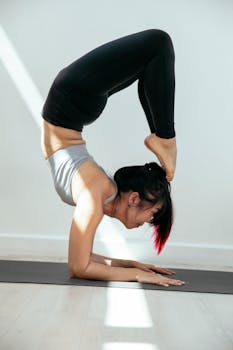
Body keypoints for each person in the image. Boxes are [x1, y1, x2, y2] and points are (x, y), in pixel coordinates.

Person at [41, 29, 185, 288]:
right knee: (158, 43)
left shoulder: (98, 197)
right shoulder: (96, 194)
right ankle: (165, 138)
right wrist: (137, 275)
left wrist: (131, 265)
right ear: (134, 198)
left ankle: (162, 136)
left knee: (153, 55)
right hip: (70, 100)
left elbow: (82, 259)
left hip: (72, 102)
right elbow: (78, 267)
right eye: (151, 215)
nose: (147, 223)